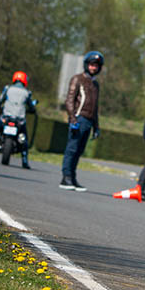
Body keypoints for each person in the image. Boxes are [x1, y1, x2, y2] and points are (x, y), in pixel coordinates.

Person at [0, 70, 37, 169]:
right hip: (19, 120)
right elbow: (31, 106)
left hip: (6, 118)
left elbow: (0, 100)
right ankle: (25, 160)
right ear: (24, 80)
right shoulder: (27, 93)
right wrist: (32, 110)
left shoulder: (8, 88)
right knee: (24, 138)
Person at [60, 51, 103, 191]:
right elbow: (69, 100)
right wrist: (73, 119)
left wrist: (96, 127)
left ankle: (72, 177)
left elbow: (95, 107)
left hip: (89, 121)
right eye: (91, 65)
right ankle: (66, 177)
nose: (93, 68)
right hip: (79, 118)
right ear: (86, 65)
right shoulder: (77, 79)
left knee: (79, 151)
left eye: (96, 66)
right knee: (72, 149)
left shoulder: (95, 84)